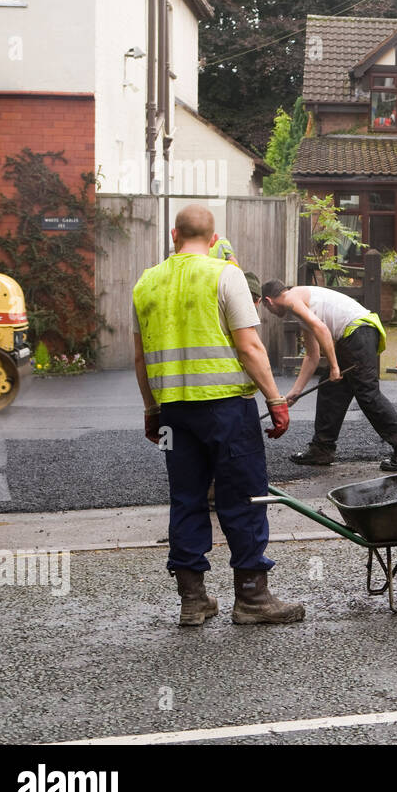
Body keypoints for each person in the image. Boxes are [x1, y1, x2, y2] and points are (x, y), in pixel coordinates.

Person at [131, 204, 304, 627]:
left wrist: (152, 410)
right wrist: (276, 400)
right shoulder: (225, 274)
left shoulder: (146, 284)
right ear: (212, 240)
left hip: (173, 413)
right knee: (243, 496)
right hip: (227, 409)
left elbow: (140, 360)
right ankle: (252, 598)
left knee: (186, 498)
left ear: (174, 236)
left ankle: (193, 600)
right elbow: (249, 347)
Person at [259, 280, 397, 471]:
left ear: (268, 301)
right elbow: (312, 356)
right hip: (356, 333)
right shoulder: (299, 304)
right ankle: (322, 449)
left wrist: (334, 366)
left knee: (367, 394)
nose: (270, 313)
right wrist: (295, 393)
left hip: (358, 331)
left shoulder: (290, 299)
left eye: (267, 308)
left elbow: (321, 329)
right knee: (331, 388)